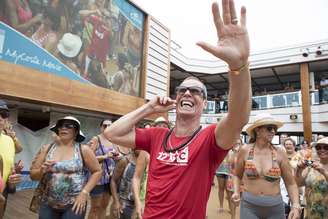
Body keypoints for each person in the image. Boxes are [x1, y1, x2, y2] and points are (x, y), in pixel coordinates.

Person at [105, 0, 252, 218]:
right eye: (182, 90)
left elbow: (238, 115)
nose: (187, 93)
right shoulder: (156, 135)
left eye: (195, 91)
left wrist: (238, 67)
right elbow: (111, 133)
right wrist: (148, 108)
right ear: (176, 98)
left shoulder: (210, 138)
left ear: (204, 103)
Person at [30, 116, 101, 219]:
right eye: (60, 126)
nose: (63, 128)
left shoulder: (83, 150)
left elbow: (97, 171)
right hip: (48, 202)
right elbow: (33, 175)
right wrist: (42, 170)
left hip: (74, 204)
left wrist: (84, 193)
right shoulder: (47, 149)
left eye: (68, 126)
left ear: (76, 132)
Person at [232, 113, 300, 219]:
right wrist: (236, 191)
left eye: (275, 128)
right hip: (249, 206)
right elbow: (237, 175)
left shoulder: (280, 152)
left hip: (275, 207)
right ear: (257, 130)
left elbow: (290, 183)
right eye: (269, 128)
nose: (273, 131)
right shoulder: (245, 150)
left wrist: (296, 205)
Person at [87, 119, 117, 219]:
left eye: (110, 126)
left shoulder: (114, 140)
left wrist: (117, 156)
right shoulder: (96, 139)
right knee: (95, 207)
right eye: (105, 126)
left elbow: (116, 156)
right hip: (98, 179)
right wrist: (105, 156)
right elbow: (88, 158)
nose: (107, 128)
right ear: (101, 127)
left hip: (110, 179)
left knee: (104, 206)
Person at [295, 137, 328, 219]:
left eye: (326, 147)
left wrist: (324, 172)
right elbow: (298, 183)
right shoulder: (311, 166)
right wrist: (299, 170)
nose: (322, 150)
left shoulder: (319, 167)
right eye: (318, 147)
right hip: (311, 211)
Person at [0, 100, 22, 215]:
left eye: (3, 114)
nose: (0, 118)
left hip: (2, 193)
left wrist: (13, 177)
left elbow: (8, 167)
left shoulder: (9, 141)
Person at [111, 150, 138, 219]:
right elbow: (113, 181)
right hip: (124, 203)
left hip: (140, 204)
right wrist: (116, 202)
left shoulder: (148, 160)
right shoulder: (125, 161)